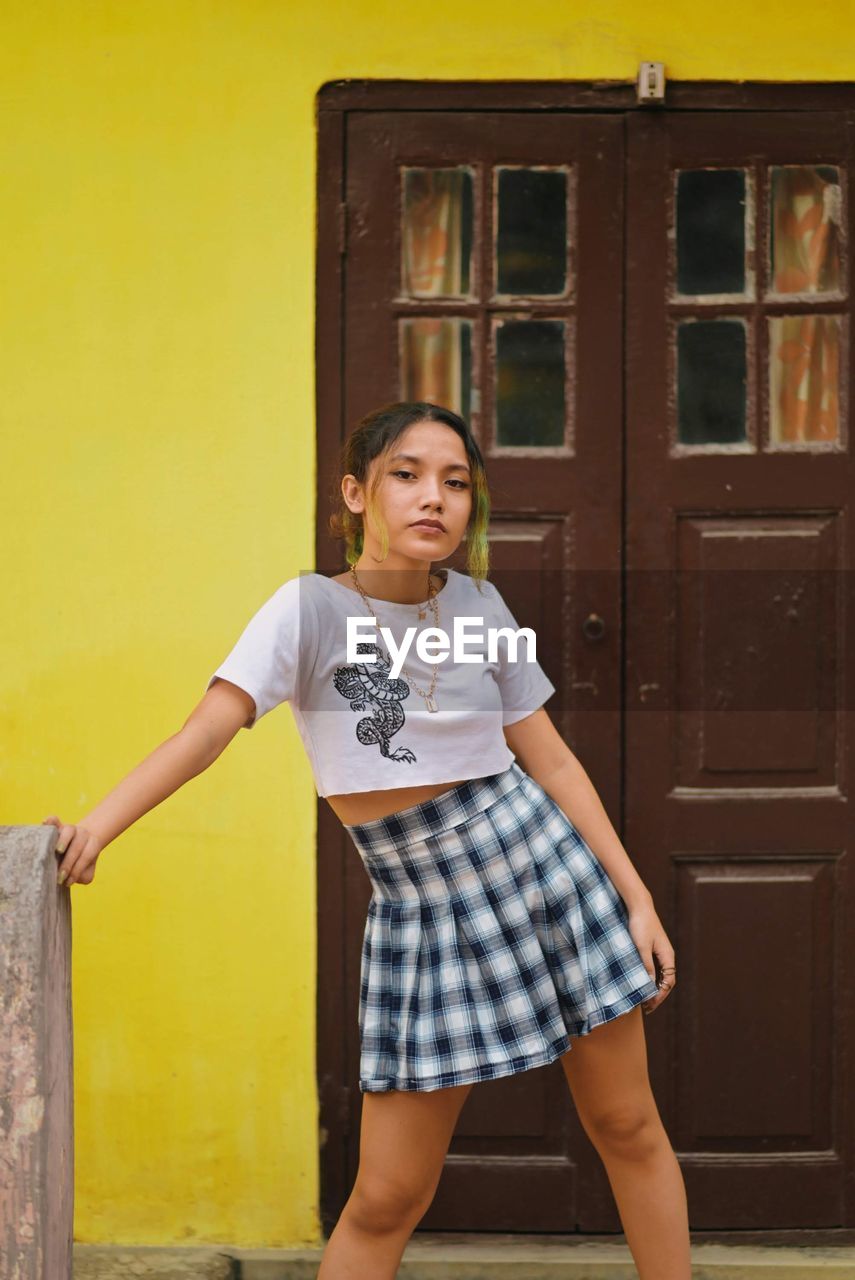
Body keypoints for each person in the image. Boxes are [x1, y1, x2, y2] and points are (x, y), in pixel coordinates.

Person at [44, 400, 690, 1279]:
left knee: (626, 1126)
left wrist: (635, 896)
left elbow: (555, 764)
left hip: (544, 872)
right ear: (354, 493)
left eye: (455, 483)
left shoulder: (480, 605)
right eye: (407, 475)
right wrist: (95, 829)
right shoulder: (305, 611)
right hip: (423, 912)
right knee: (386, 1197)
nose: (435, 498)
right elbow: (206, 731)